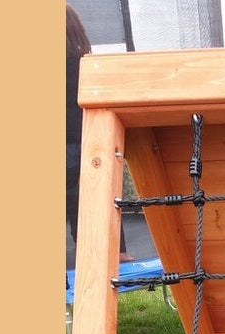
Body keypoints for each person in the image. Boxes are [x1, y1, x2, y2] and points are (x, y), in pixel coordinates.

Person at [67, 4, 133, 262]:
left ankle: (85, 252)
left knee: (74, 200)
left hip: (68, 143)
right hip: (91, 140)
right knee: (102, 196)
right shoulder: (88, 65)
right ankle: (118, 251)